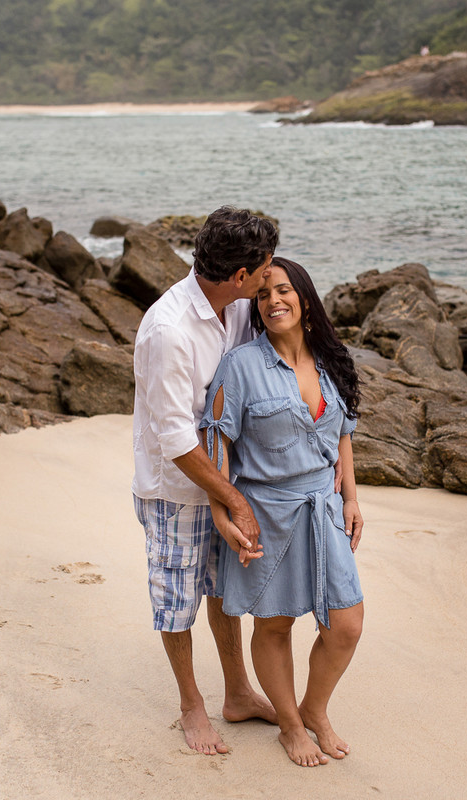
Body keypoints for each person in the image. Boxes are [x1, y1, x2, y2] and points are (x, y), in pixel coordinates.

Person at [200, 256, 365, 767]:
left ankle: (314, 709)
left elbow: (342, 431)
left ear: (305, 298)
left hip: (324, 509)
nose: (273, 300)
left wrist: (351, 497)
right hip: (267, 514)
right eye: (263, 293)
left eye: (284, 290)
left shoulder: (331, 358)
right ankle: (291, 726)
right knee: (274, 625)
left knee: (347, 624)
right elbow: (217, 441)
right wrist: (225, 511)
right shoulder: (241, 366)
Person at [131, 206, 279, 755]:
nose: (269, 274)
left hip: (224, 477)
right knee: (176, 599)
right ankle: (191, 706)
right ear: (239, 276)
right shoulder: (168, 330)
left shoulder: (235, 305)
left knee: (222, 589)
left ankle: (238, 693)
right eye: (263, 269)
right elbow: (175, 440)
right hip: (174, 491)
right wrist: (233, 499)